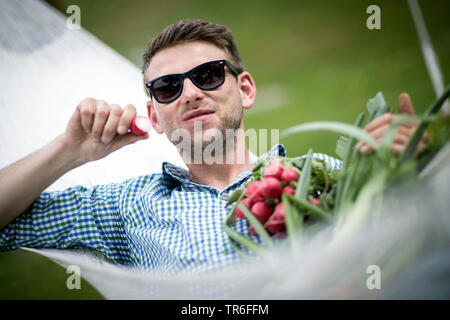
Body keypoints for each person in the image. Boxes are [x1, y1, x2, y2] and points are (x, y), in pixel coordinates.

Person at [0, 20, 428, 273]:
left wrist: (408, 171)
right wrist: (70, 150)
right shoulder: (125, 205)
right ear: (154, 116)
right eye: (167, 87)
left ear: (245, 89)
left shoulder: (323, 173)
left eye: (207, 75)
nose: (188, 93)